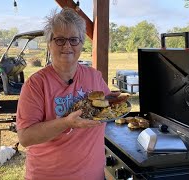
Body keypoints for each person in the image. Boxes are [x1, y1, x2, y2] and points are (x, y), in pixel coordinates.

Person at [16, 7, 119, 180]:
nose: (67, 46)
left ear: (81, 44)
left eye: (73, 40)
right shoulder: (35, 84)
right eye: (60, 40)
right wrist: (66, 123)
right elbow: (25, 137)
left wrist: (114, 100)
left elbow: (106, 109)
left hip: (93, 175)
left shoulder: (94, 77)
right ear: (49, 43)